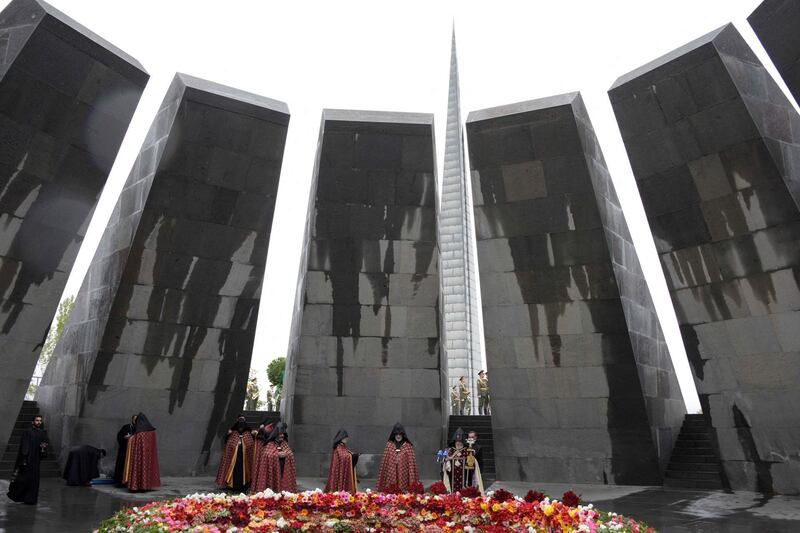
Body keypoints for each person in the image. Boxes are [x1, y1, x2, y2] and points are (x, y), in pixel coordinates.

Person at [7, 415, 49, 504]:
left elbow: (44, 445)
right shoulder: (27, 432)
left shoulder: (42, 433)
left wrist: (44, 447)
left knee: (34, 481)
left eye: (40, 420)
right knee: (24, 480)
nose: (39, 422)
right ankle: (21, 497)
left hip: (36, 461)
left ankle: (31, 499)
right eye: (37, 420)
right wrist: (24, 459)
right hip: (28, 460)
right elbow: (24, 446)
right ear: (32, 422)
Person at [252, 422, 296, 493]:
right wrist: (277, 455)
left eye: (283, 434)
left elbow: (290, 453)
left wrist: (286, 454)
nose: (282, 436)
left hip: (283, 467)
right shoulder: (270, 443)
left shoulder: (284, 443)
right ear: (276, 434)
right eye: (280, 434)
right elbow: (267, 454)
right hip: (273, 469)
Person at [122, 412, 160, 491]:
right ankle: (145, 486)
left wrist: (130, 438)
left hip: (138, 456)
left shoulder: (139, 433)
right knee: (146, 469)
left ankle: (135, 486)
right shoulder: (151, 432)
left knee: (137, 468)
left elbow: (134, 441)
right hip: (148, 456)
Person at [215, 415, 255, 491]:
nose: (241, 429)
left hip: (244, 460)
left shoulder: (247, 434)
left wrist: (243, 445)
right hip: (233, 460)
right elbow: (229, 445)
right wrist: (237, 445)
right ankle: (230, 485)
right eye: (239, 428)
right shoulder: (233, 434)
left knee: (243, 472)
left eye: (242, 428)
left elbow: (251, 445)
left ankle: (245, 485)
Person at [376, 423, 419, 492]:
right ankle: (391, 492)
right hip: (391, 472)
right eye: (396, 434)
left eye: (400, 434)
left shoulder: (407, 446)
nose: (398, 436)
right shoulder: (389, 445)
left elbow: (411, 464)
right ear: (394, 435)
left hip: (404, 473)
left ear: (403, 435)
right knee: (391, 487)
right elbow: (385, 462)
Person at [442, 427, 483, 495]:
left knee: (464, 492)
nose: (458, 443)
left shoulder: (467, 451)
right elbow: (445, 460)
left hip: (465, 477)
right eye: (457, 441)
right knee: (452, 492)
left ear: (463, 441)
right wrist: (447, 463)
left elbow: (473, 464)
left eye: (460, 441)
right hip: (452, 477)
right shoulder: (450, 450)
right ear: (454, 441)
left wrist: (470, 464)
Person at [325, 428, 358, 493]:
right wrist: (351, 456)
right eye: (345, 438)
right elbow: (343, 456)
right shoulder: (338, 446)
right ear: (341, 437)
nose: (346, 439)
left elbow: (345, 453)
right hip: (338, 469)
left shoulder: (342, 446)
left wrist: (352, 454)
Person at [114, 415, 137, 486]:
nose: (135, 421)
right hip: (124, 450)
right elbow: (119, 436)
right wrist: (125, 438)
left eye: (137, 420)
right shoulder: (126, 427)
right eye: (134, 419)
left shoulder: (140, 428)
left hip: (134, 451)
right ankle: (120, 482)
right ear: (132, 419)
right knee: (122, 465)